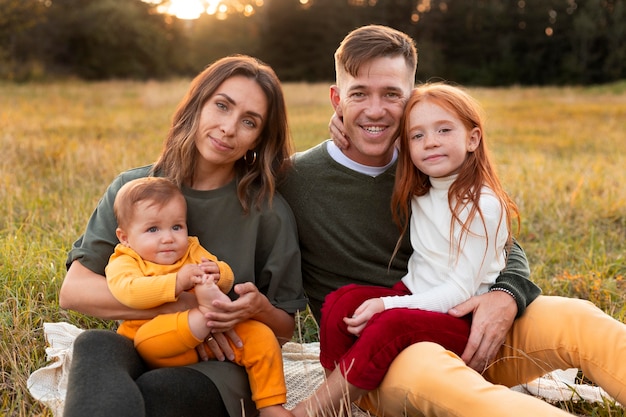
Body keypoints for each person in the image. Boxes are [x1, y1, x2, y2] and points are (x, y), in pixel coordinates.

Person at [279, 24, 626, 416]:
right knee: (450, 386)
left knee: (579, 318)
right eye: (359, 94)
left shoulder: (432, 161)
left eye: (392, 94)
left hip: (467, 325)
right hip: (382, 363)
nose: (375, 110)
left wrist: (506, 294)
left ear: (411, 99)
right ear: (336, 99)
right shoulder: (293, 180)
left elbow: (497, 241)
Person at [59, 55, 308, 417]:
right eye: (222, 106)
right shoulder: (134, 190)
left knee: (158, 391)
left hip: (221, 360)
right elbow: (74, 290)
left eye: (249, 121)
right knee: (95, 344)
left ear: (259, 138)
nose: (228, 128)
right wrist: (187, 306)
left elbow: (284, 329)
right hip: (143, 342)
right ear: (198, 104)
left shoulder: (268, 213)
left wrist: (258, 309)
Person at [291, 82, 521, 416]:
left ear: (473, 139)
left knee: (391, 324)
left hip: (461, 317)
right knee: (340, 303)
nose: (430, 142)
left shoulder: (482, 205)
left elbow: (459, 291)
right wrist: (348, 123)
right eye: (418, 136)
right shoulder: (421, 184)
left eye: (444, 130)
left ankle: (314, 409)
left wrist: (387, 303)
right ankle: (345, 398)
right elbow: (376, 134)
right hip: (415, 293)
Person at [106, 176, 291, 417]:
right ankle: (206, 312)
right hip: (158, 343)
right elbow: (128, 291)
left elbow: (220, 272)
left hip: (207, 341)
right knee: (147, 341)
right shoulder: (125, 260)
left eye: (177, 227)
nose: (168, 238)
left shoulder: (191, 249)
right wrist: (177, 282)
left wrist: (220, 274)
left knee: (260, 336)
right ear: (125, 238)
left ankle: (270, 405)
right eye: (153, 229)